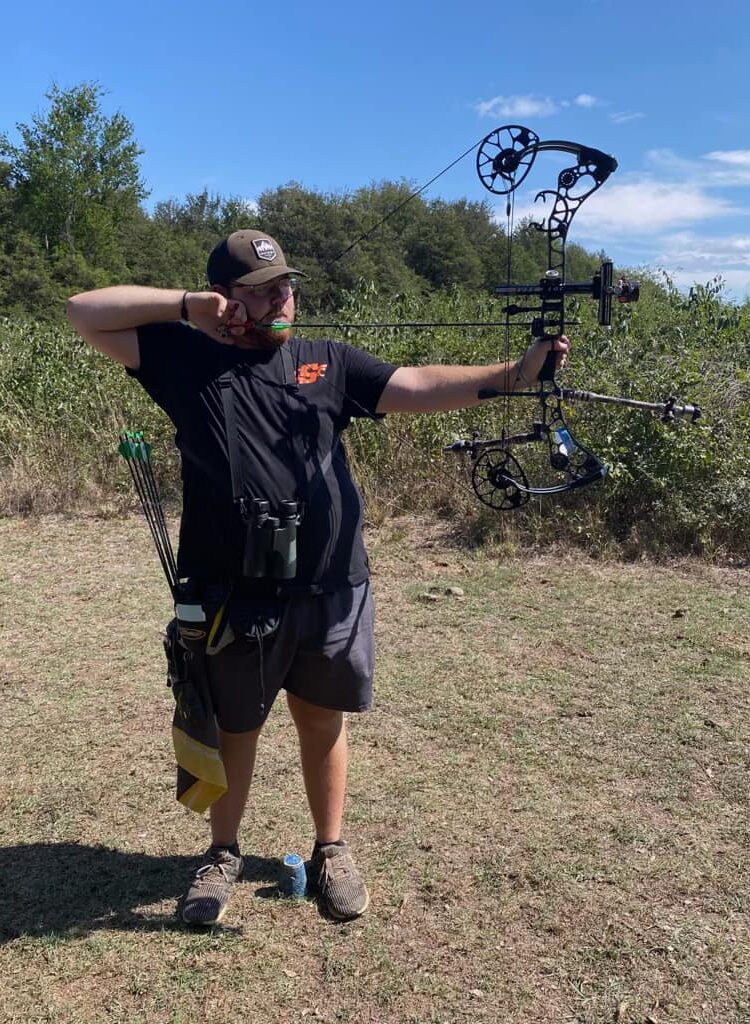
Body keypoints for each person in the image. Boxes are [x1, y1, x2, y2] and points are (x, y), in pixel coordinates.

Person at [67, 229, 569, 926]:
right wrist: (187, 308)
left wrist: (511, 375)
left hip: (331, 586)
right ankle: (221, 854)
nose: (283, 299)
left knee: (321, 719)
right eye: (263, 290)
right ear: (226, 299)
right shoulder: (183, 358)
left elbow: (414, 383)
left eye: (286, 286)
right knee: (234, 727)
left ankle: (331, 848)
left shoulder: (326, 363)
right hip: (230, 590)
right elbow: (84, 311)